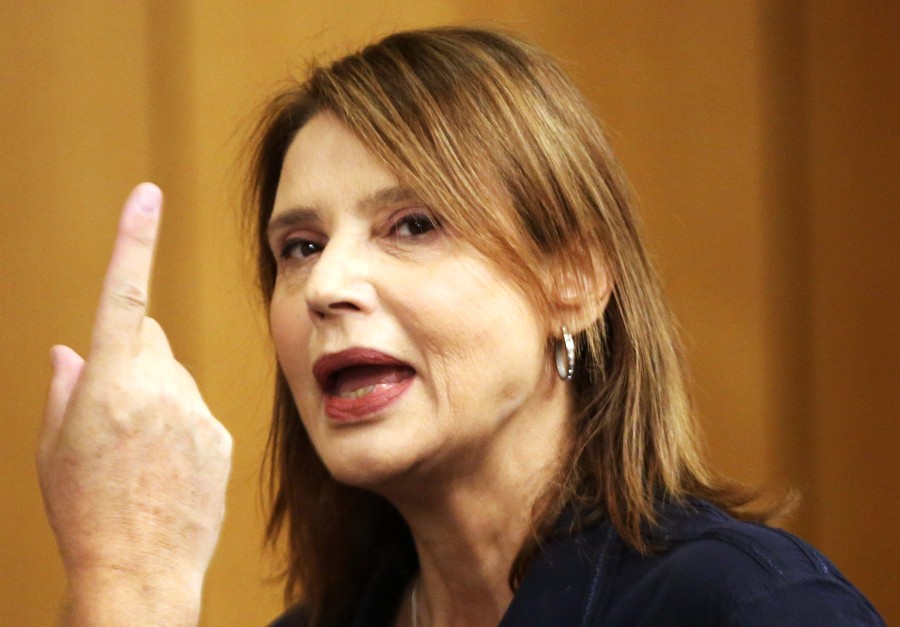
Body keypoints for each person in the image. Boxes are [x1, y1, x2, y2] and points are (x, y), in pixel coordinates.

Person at [37, 27, 884, 627]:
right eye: (300, 246)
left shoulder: (749, 607)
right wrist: (122, 582)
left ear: (574, 280)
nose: (325, 285)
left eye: (412, 225)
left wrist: (132, 588)